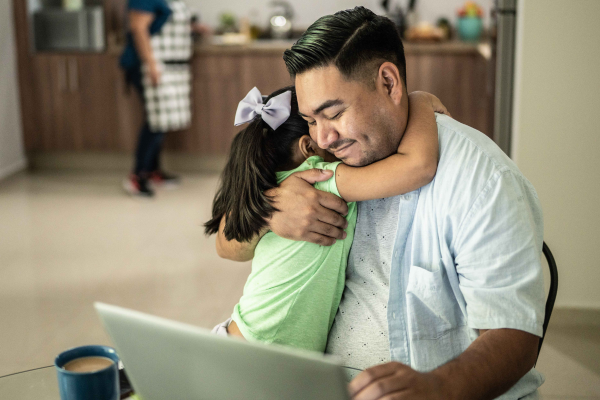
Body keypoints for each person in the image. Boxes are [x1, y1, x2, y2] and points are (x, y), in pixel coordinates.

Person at [216, 7, 546, 400]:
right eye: (309, 121)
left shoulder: (482, 180)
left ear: (389, 83)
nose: (321, 139)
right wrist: (269, 212)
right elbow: (225, 241)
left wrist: (438, 387)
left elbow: (516, 335)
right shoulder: (321, 166)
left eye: (334, 113)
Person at [205, 86, 446, 352]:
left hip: (242, 338)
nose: (329, 134)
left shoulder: (275, 185)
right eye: (314, 123)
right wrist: (420, 101)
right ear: (308, 147)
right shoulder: (320, 176)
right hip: (257, 356)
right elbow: (417, 167)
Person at [120, 0, 209, 197]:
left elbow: (161, 22)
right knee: (157, 122)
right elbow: (138, 27)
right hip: (151, 65)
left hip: (169, 66)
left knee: (161, 120)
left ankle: (152, 172)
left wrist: (193, 28)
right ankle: (137, 176)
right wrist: (151, 65)